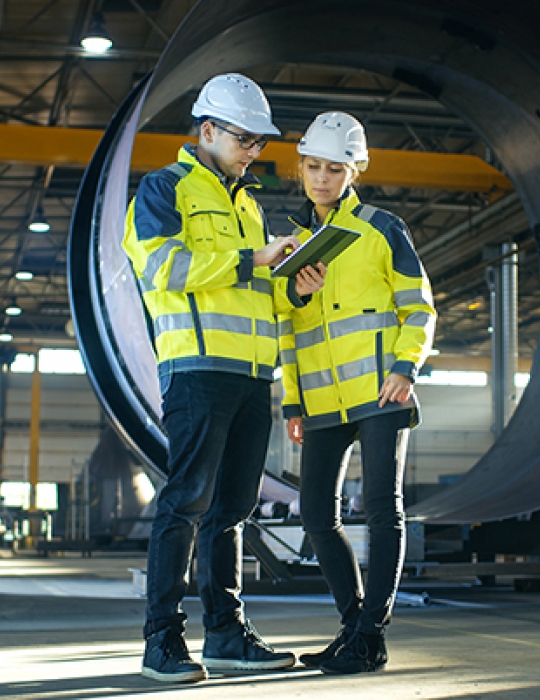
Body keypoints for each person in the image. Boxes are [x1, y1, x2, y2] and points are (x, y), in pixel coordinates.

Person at [122, 73, 325, 683]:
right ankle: (161, 642)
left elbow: (258, 296)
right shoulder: (165, 189)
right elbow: (163, 266)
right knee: (185, 503)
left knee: (233, 511)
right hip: (197, 370)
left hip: (251, 376)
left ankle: (226, 635)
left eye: (260, 142)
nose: (253, 150)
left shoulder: (250, 206)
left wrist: (294, 287)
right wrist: (254, 257)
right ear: (206, 130)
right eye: (243, 137)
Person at [278, 112, 436, 675]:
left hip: (380, 391)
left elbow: (418, 307)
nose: (322, 178)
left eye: (335, 168)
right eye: (314, 166)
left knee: (380, 510)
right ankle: (352, 627)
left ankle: (371, 634)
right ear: (301, 166)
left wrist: (405, 367)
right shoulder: (290, 242)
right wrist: (292, 401)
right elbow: (287, 330)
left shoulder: (381, 227)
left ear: (355, 169)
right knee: (317, 514)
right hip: (321, 400)